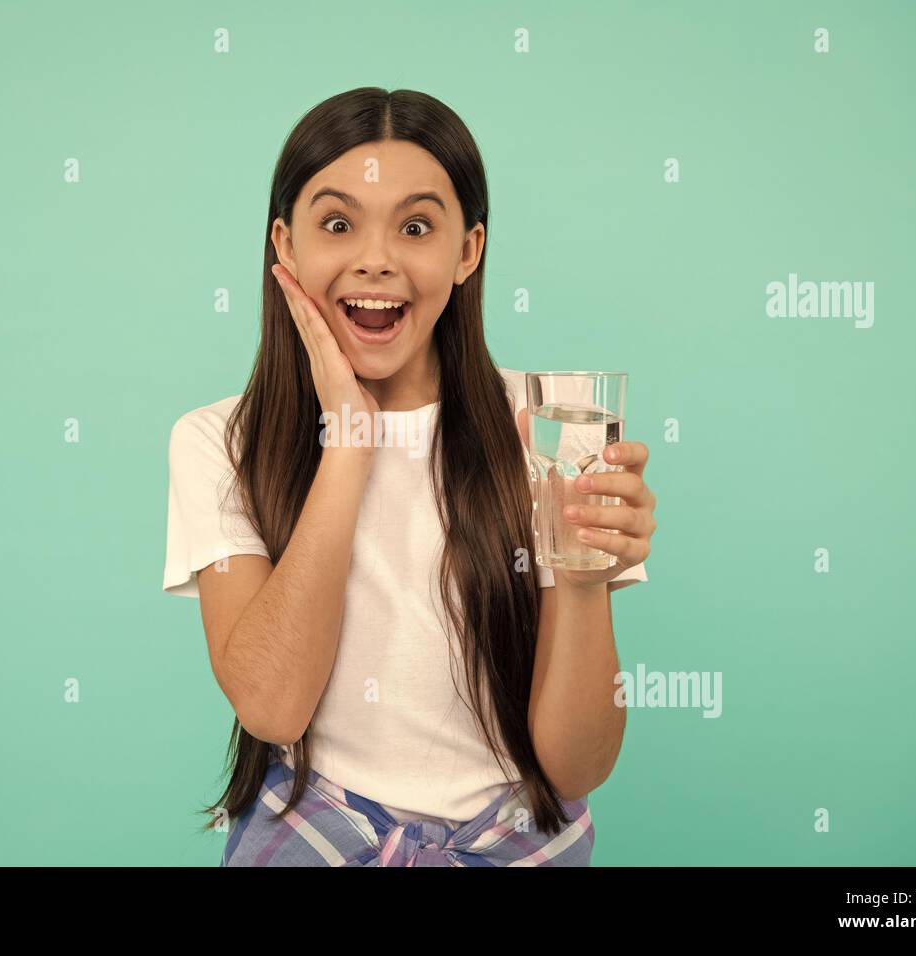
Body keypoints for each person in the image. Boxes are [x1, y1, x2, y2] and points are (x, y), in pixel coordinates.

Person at [163, 88, 658, 866]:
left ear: (469, 251)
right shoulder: (219, 441)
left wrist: (585, 576)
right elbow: (272, 704)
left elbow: (578, 764)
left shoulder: (553, 428)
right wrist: (350, 440)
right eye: (336, 224)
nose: (376, 259)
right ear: (283, 247)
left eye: (417, 226)